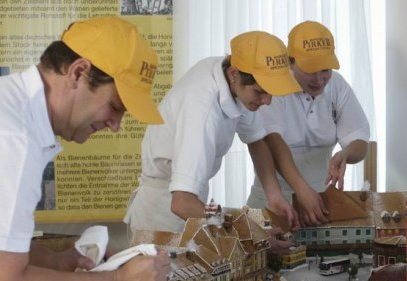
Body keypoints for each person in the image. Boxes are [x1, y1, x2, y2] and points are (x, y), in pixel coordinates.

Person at [0, 16, 170, 281]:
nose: (115, 125)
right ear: (78, 72)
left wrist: (56, 262)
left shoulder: (6, 107)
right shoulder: (12, 137)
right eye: (115, 107)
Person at [124, 31, 323, 240]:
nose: (267, 101)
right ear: (234, 74)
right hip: (162, 215)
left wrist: (273, 195)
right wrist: (250, 234)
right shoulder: (202, 109)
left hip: (190, 199)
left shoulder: (228, 77)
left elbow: (256, 139)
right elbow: (181, 203)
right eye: (260, 92)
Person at [247, 21, 371, 226]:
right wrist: (302, 189)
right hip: (273, 198)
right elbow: (271, 142)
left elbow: (360, 142)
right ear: (290, 62)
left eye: (325, 70)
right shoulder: (274, 87)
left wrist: (345, 153)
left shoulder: (337, 85)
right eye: (310, 70)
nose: (319, 79)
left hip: (320, 199)